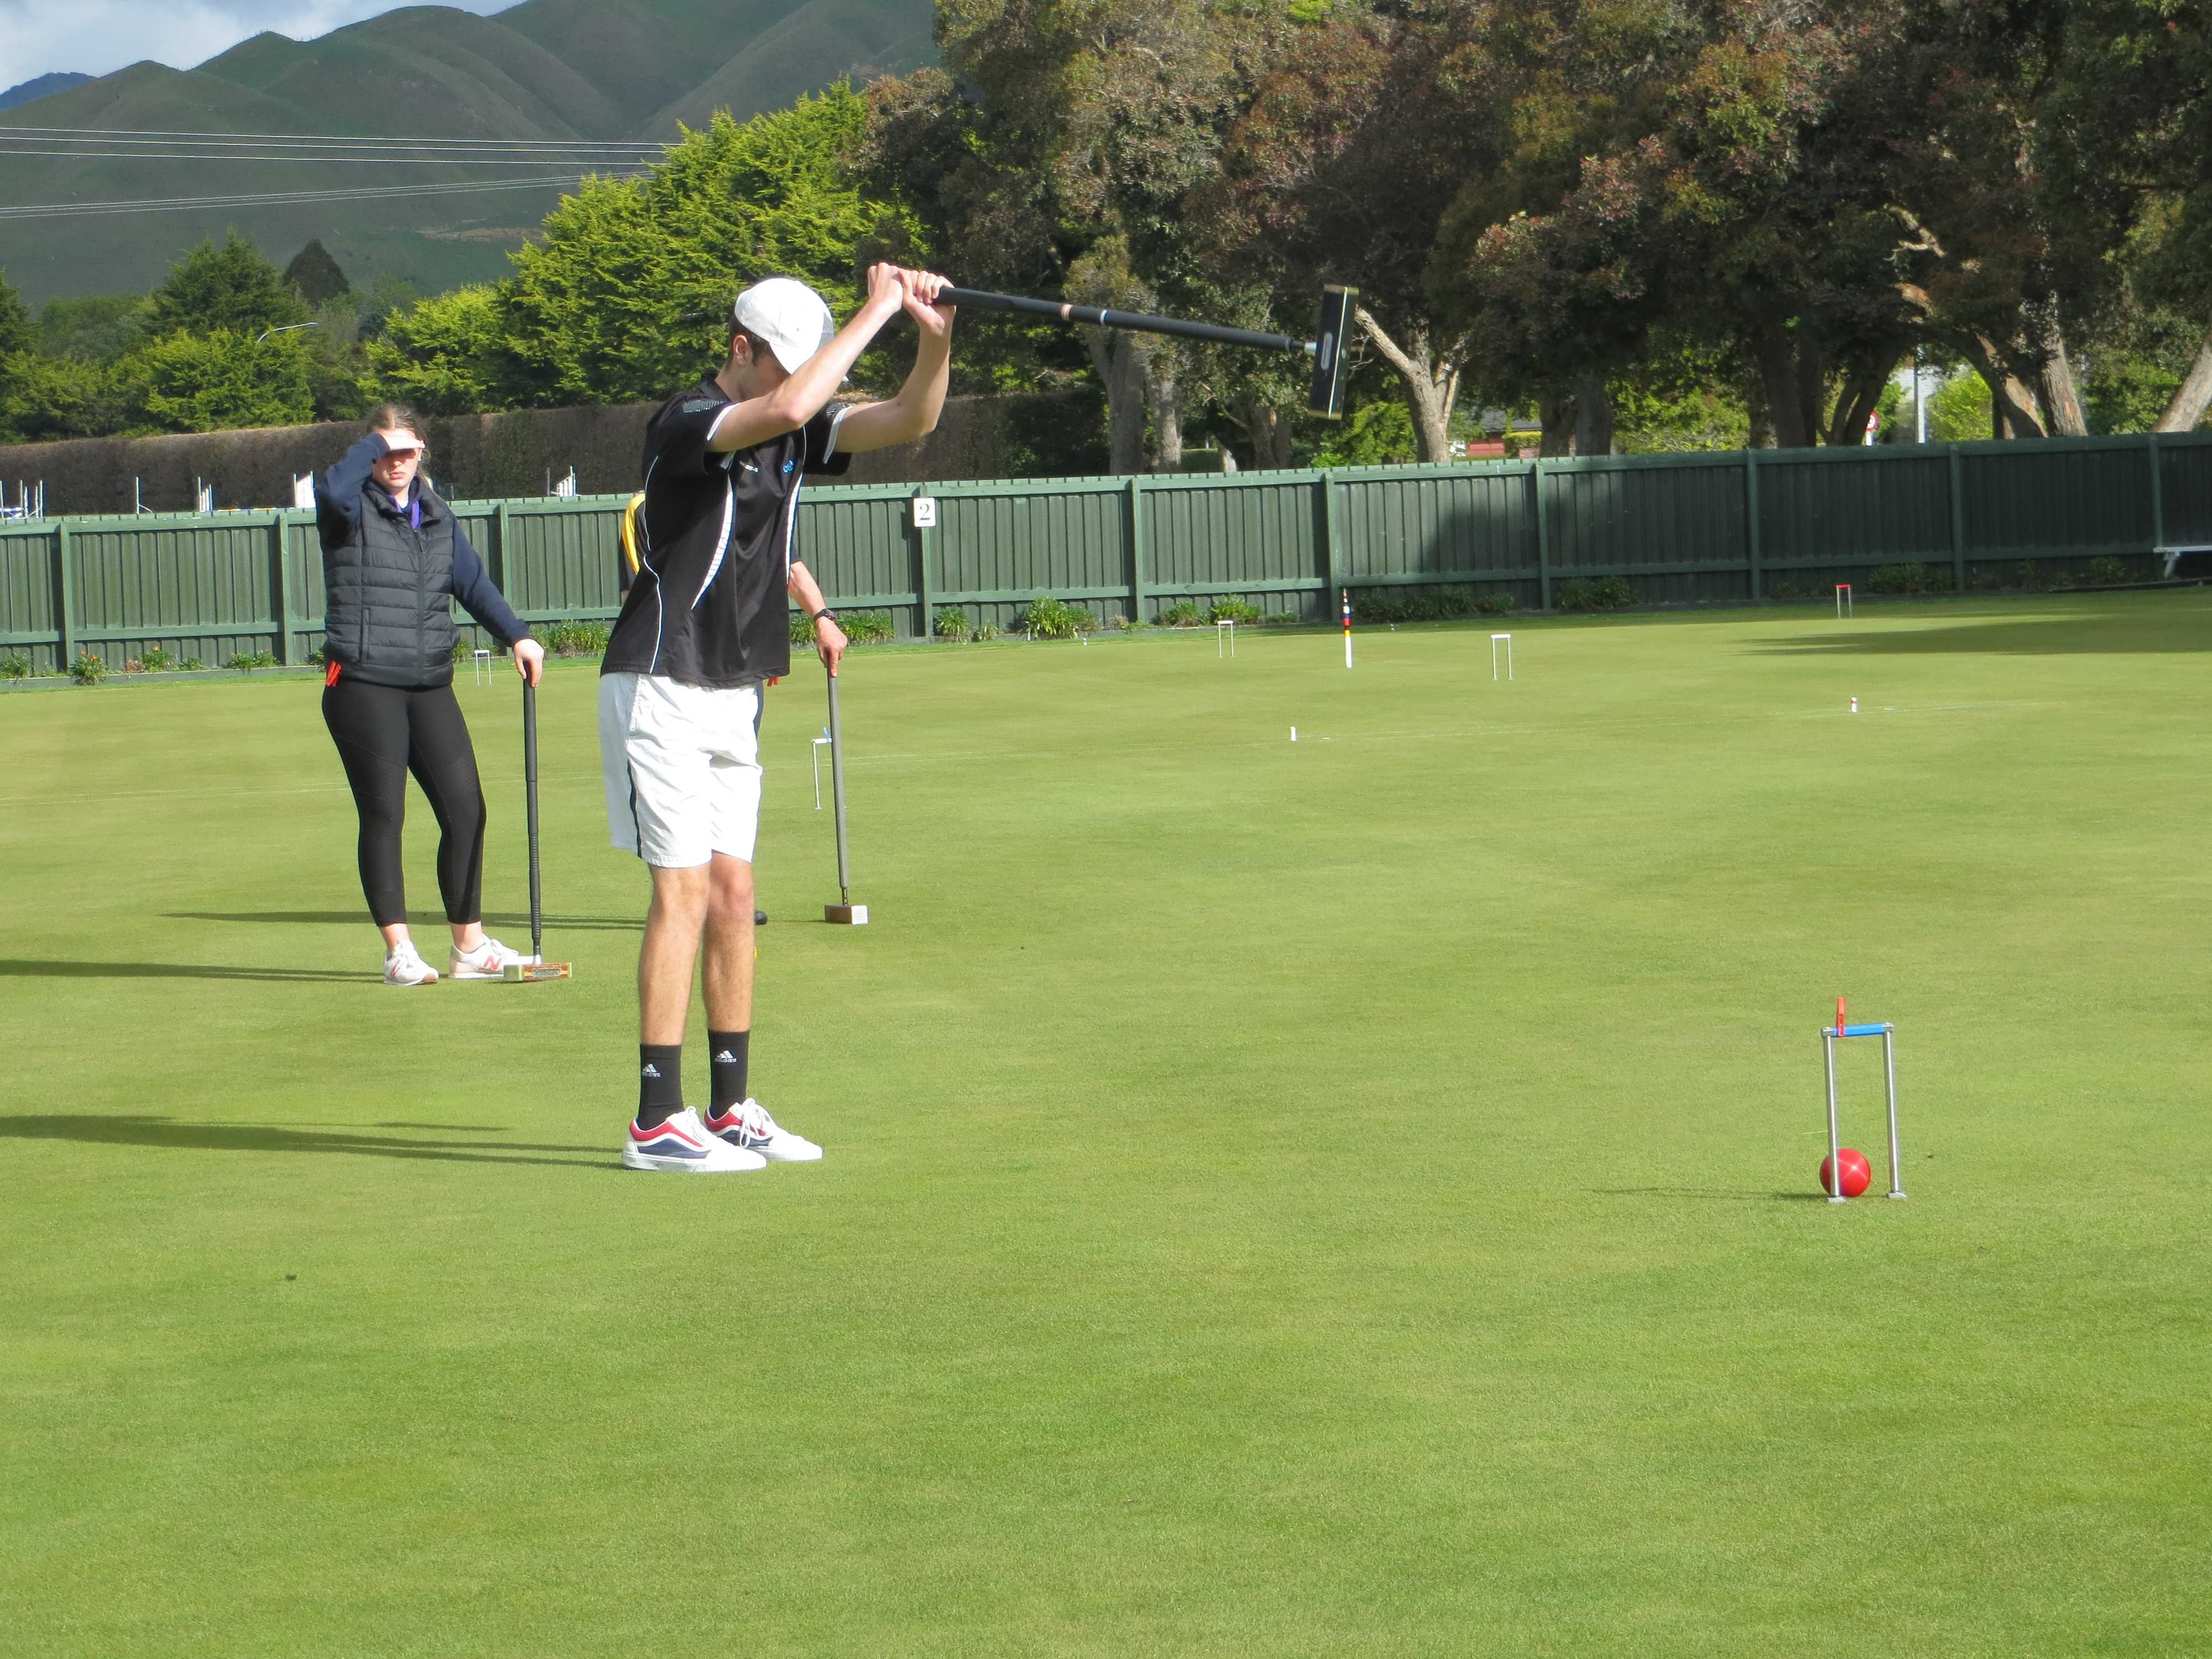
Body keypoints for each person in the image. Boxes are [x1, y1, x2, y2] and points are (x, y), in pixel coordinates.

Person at [601, 265, 953, 1172]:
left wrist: (933, 337)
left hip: (736, 683)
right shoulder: (689, 418)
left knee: (734, 897)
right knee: (682, 893)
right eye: (786, 363)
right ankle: (656, 1120)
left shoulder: (795, 427)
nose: (803, 383)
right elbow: (793, 404)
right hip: (661, 674)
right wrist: (878, 306)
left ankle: (728, 1108)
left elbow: (911, 420)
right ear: (740, 349)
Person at [316, 405, 547, 985]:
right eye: (385, 452)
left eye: (407, 451)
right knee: (385, 814)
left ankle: (468, 947)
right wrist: (375, 442)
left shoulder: (438, 515)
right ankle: (399, 952)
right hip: (363, 682)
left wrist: (517, 635)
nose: (395, 462)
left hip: (429, 682)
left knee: (466, 811)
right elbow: (334, 486)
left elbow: (471, 583)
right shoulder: (347, 508)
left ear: (422, 451)